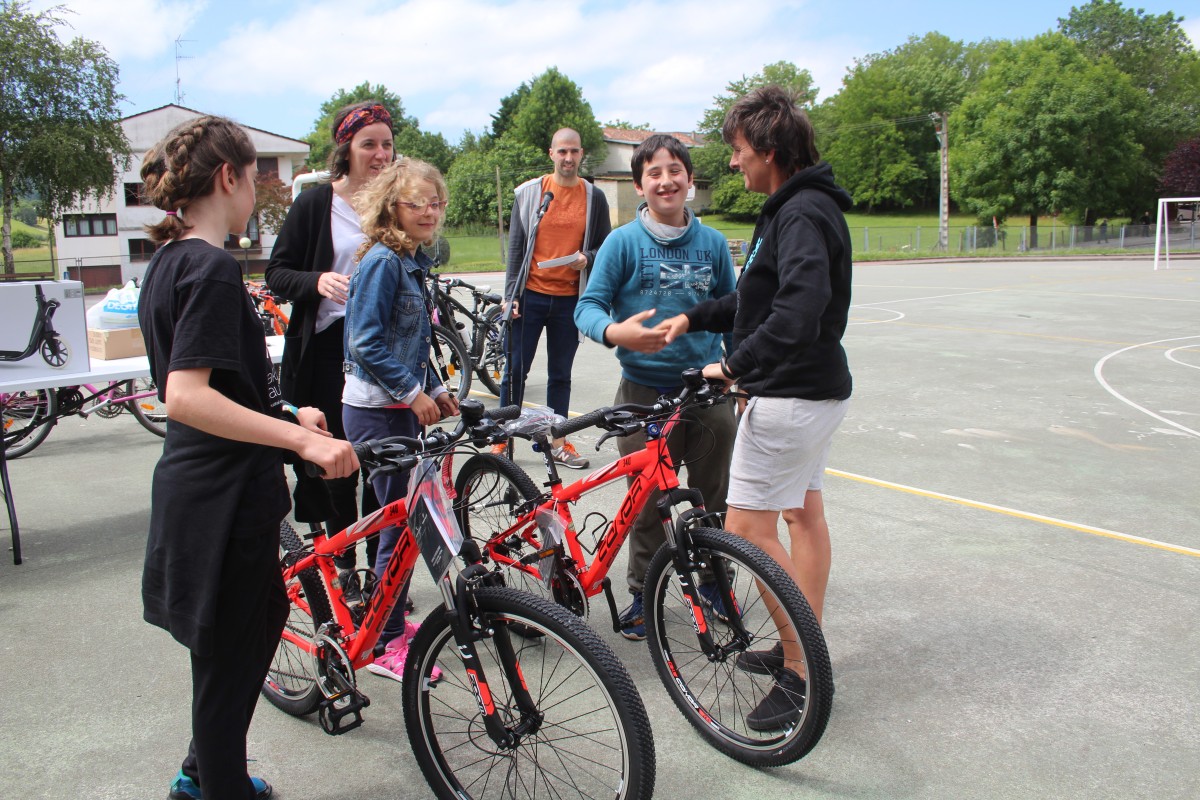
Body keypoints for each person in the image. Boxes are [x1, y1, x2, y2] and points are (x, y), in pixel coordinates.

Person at [137, 115, 358, 800]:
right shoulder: (205, 264)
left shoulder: (171, 262)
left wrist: (290, 414)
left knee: (253, 633)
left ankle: (203, 772)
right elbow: (186, 397)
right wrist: (302, 441)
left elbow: (223, 386)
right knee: (228, 661)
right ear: (229, 177)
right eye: (256, 175)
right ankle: (216, 788)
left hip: (218, 495)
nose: (258, 191)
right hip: (221, 502)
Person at [660, 86, 853, 731]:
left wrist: (733, 366)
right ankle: (805, 642)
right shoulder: (802, 207)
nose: (735, 164)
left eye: (740, 152)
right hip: (816, 392)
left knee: (745, 531)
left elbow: (798, 312)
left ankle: (801, 668)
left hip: (789, 396)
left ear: (770, 151)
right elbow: (756, 303)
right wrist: (694, 315)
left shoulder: (799, 215)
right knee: (803, 512)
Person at [574, 134, 736, 640]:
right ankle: (644, 592)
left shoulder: (711, 243)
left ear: (689, 179)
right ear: (640, 183)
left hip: (707, 392)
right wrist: (615, 332)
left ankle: (714, 582)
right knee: (646, 504)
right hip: (644, 395)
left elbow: (733, 310)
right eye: (654, 173)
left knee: (713, 499)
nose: (666, 181)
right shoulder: (623, 242)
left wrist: (741, 374)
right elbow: (587, 307)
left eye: (675, 171)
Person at [265, 101, 392, 607]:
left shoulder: (395, 200)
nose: (380, 154)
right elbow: (277, 273)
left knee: (384, 461)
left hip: (382, 351)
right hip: (325, 351)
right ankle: (346, 567)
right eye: (369, 144)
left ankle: (384, 572)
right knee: (339, 464)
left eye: (386, 143)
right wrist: (316, 281)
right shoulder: (316, 204)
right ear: (347, 150)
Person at [341, 156, 459, 682]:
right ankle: (385, 641)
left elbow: (411, 341)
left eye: (436, 203)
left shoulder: (411, 260)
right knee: (397, 524)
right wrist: (413, 394)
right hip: (375, 412)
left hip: (396, 409)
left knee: (407, 521)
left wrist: (433, 387)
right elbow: (364, 342)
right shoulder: (384, 262)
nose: (429, 212)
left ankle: (388, 620)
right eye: (418, 203)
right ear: (393, 206)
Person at [500, 127, 611, 469]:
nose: (568, 158)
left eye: (574, 151)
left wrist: (587, 259)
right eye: (562, 151)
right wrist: (510, 296)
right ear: (551, 154)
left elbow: (604, 246)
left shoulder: (594, 197)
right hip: (530, 296)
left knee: (560, 375)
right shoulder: (531, 194)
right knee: (515, 371)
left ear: (581, 155)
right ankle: (500, 442)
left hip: (569, 301)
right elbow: (517, 248)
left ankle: (558, 441)